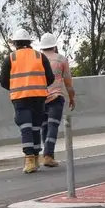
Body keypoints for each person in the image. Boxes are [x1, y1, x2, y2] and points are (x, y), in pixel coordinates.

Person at [0, 29, 55, 174]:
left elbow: (3, 81)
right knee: (36, 127)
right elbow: (50, 78)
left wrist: (16, 87)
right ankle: (35, 157)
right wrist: (39, 85)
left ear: (15, 43)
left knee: (26, 127)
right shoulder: (39, 56)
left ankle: (29, 158)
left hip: (20, 97)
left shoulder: (11, 58)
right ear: (29, 42)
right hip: (38, 96)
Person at [37, 33, 76, 168]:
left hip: (40, 98)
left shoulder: (38, 59)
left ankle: (46, 155)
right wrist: (71, 97)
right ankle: (48, 155)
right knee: (53, 125)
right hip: (56, 98)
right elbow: (68, 82)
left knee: (44, 127)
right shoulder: (61, 60)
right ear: (54, 45)